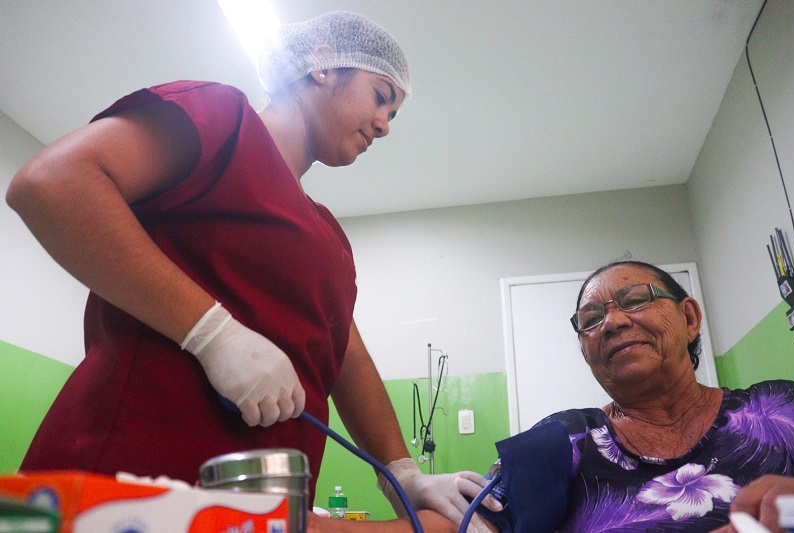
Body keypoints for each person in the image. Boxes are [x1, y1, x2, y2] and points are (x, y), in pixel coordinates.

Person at [5, 11, 496, 532]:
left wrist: (401, 472)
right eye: (380, 97)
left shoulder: (327, 235)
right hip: (122, 487)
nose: (384, 125)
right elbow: (53, 182)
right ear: (323, 64)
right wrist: (212, 333)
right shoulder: (225, 122)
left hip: (255, 510)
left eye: (392, 114)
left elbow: (343, 348)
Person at [470, 260, 794, 532]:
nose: (612, 322)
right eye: (591, 319)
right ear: (586, 354)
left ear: (689, 319)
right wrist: (435, 493)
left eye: (635, 300)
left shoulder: (781, 408)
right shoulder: (562, 438)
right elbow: (470, 518)